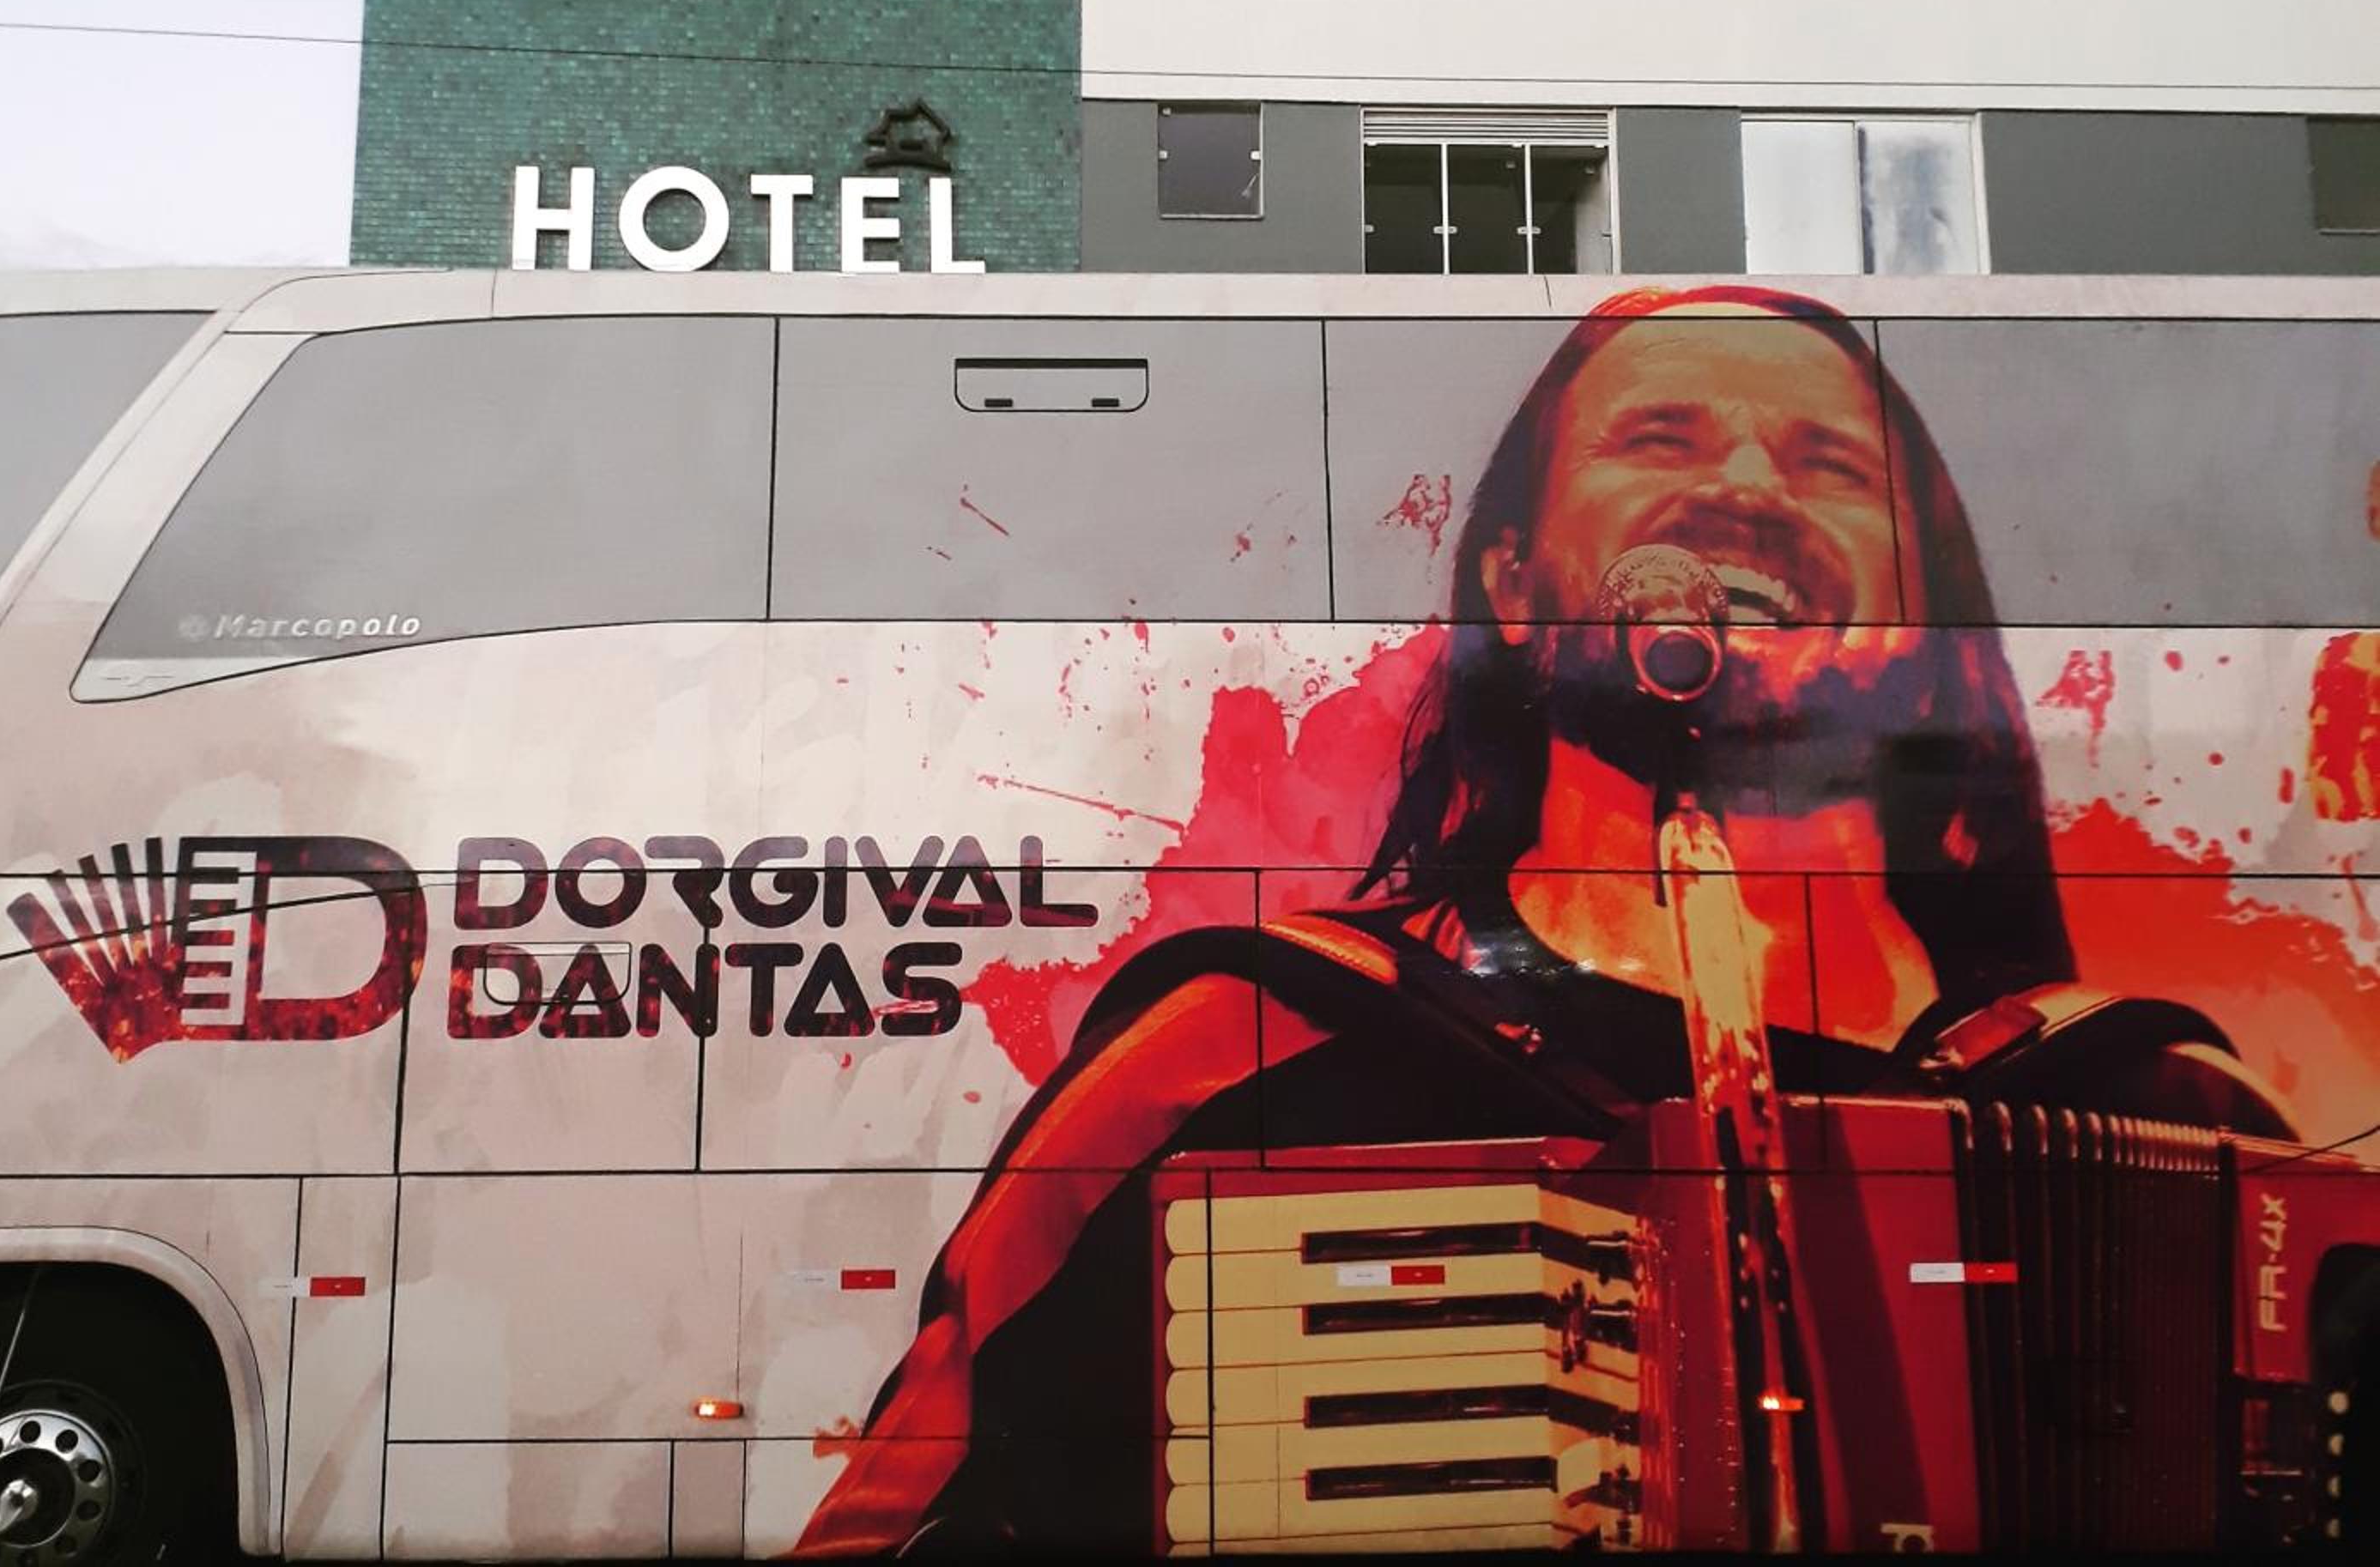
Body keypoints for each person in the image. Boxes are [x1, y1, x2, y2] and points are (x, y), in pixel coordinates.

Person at [794, 284, 2284, 1557]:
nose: (1748, 485)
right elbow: (915, 1518)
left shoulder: (2165, 1109)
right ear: (1512, 585)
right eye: (1662, 437)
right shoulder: (1240, 1049)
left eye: (1831, 462)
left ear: (1924, 632)